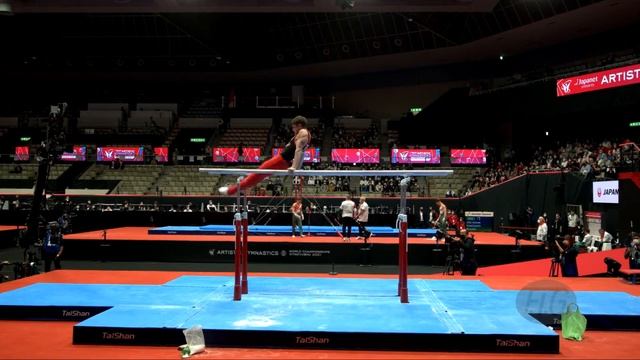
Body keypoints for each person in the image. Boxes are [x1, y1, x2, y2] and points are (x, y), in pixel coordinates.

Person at [219, 116, 310, 195]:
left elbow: (299, 151)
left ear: (299, 125)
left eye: (294, 127)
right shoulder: (304, 135)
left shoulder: (302, 133)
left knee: (256, 175)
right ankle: (240, 189)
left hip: (280, 161)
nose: (292, 129)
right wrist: (297, 167)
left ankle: (230, 191)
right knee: (257, 177)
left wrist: (294, 167)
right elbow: (301, 152)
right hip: (282, 161)